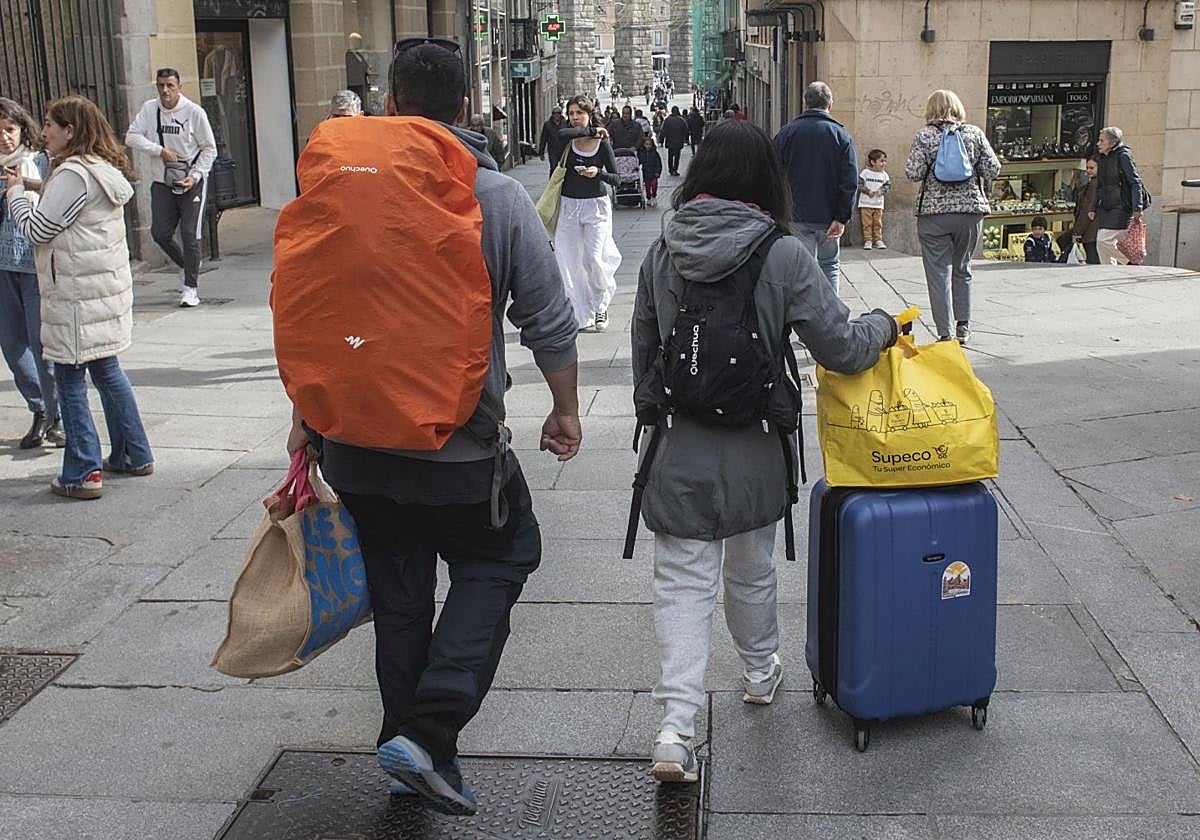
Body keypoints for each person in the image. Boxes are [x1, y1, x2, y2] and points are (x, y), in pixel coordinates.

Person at [284, 40, 581, 816]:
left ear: (390, 105)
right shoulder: (496, 196)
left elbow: (320, 313)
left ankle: (408, 750)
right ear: (465, 108)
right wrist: (565, 408)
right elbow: (549, 319)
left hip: (354, 444)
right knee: (505, 554)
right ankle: (431, 728)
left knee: (400, 595)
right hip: (458, 447)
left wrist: (306, 419)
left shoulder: (343, 190)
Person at [631, 118, 899, 784]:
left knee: (682, 582)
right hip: (755, 444)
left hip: (680, 446)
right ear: (765, 180)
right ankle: (759, 671)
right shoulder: (783, 254)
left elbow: (645, 351)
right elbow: (842, 348)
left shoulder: (664, 249)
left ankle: (674, 728)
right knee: (751, 569)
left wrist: (654, 418)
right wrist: (884, 326)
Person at [5, 95, 154, 499]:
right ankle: (134, 453)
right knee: (107, 370)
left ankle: (82, 471)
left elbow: (38, 229)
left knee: (70, 379)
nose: (44, 132)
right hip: (98, 295)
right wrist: (32, 184)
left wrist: (16, 195)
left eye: (50, 124)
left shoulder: (72, 173)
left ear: (70, 131)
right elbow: (69, 206)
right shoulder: (97, 168)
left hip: (75, 298)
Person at [904, 89, 1000, 344]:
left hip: (933, 215)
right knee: (962, 267)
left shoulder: (924, 136)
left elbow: (913, 173)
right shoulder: (974, 133)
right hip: (969, 212)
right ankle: (963, 326)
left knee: (938, 274)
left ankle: (944, 332)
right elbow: (993, 168)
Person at [124, 68, 216, 308]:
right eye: (161, 85)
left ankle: (190, 288)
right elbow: (131, 137)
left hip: (191, 182)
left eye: (170, 86)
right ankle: (187, 264)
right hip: (162, 182)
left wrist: (195, 176)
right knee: (160, 233)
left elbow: (209, 148)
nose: (165, 91)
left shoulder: (194, 112)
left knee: (189, 233)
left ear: (179, 87)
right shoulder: (149, 109)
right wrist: (159, 151)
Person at [0, 97, 62, 450]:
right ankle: (38, 407)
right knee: (12, 346)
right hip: (2, 269)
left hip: (34, 266)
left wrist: (22, 185)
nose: (4, 137)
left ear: (22, 129)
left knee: (42, 346)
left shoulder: (40, 162)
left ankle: (57, 415)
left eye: (10, 129)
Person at [773, 81, 857, 293]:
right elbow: (849, 181)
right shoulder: (841, 136)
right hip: (829, 216)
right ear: (830, 104)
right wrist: (842, 217)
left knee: (801, 268)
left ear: (805, 103)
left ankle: (804, 310)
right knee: (830, 265)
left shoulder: (787, 133)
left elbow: (773, 173)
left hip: (796, 215)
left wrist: (778, 211)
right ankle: (831, 310)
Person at [555, 95, 622, 331]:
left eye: (579, 113)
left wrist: (597, 173)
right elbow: (561, 133)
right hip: (569, 205)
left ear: (589, 114)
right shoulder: (567, 139)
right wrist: (593, 129)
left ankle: (600, 304)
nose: (574, 118)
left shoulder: (602, 144)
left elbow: (617, 179)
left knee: (594, 258)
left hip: (595, 206)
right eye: (571, 113)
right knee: (569, 261)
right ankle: (580, 312)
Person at [1090, 126, 1147, 266]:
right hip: (1106, 205)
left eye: (1102, 141)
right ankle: (1109, 271)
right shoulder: (1102, 158)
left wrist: (1137, 207)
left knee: (1103, 240)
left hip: (1121, 205)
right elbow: (1099, 185)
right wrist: (1093, 207)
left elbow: (1135, 183)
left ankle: (1130, 261)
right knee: (1102, 244)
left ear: (1112, 142)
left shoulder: (1123, 156)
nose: (1098, 144)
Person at [1058, 156, 1100, 264]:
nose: (1088, 171)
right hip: (1091, 228)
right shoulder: (1096, 183)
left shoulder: (1094, 185)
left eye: (1092, 168)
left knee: (1092, 259)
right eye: (1087, 168)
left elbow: (1086, 210)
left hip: (1090, 229)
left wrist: (1077, 233)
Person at [857, 148, 891, 250]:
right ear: (873, 162)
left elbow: (888, 186)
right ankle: (868, 240)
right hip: (865, 203)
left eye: (885, 161)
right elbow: (859, 184)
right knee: (867, 223)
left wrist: (881, 191)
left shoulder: (884, 175)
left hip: (878, 204)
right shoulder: (865, 172)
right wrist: (868, 191)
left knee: (878, 223)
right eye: (881, 161)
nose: (884, 163)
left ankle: (878, 240)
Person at [537, 104, 568, 176]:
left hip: (564, 149)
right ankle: (552, 181)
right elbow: (543, 138)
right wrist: (541, 153)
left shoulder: (565, 123)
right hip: (552, 150)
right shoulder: (547, 124)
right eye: (555, 113)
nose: (556, 115)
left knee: (564, 168)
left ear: (561, 114)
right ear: (552, 114)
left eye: (558, 113)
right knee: (553, 167)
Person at [660, 106, 689, 177]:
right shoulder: (681, 120)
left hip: (670, 141)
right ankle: (675, 169)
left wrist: (661, 140)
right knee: (677, 156)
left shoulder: (667, 120)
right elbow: (686, 130)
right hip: (679, 141)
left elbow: (663, 130)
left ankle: (670, 169)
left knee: (670, 155)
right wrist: (686, 139)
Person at [637, 135, 663, 207]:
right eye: (646, 144)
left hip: (654, 172)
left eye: (649, 144)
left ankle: (654, 196)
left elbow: (658, 163)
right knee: (647, 187)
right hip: (646, 173)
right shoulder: (641, 153)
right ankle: (648, 198)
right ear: (643, 145)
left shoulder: (655, 153)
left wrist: (658, 172)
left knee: (654, 185)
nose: (648, 146)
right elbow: (639, 161)